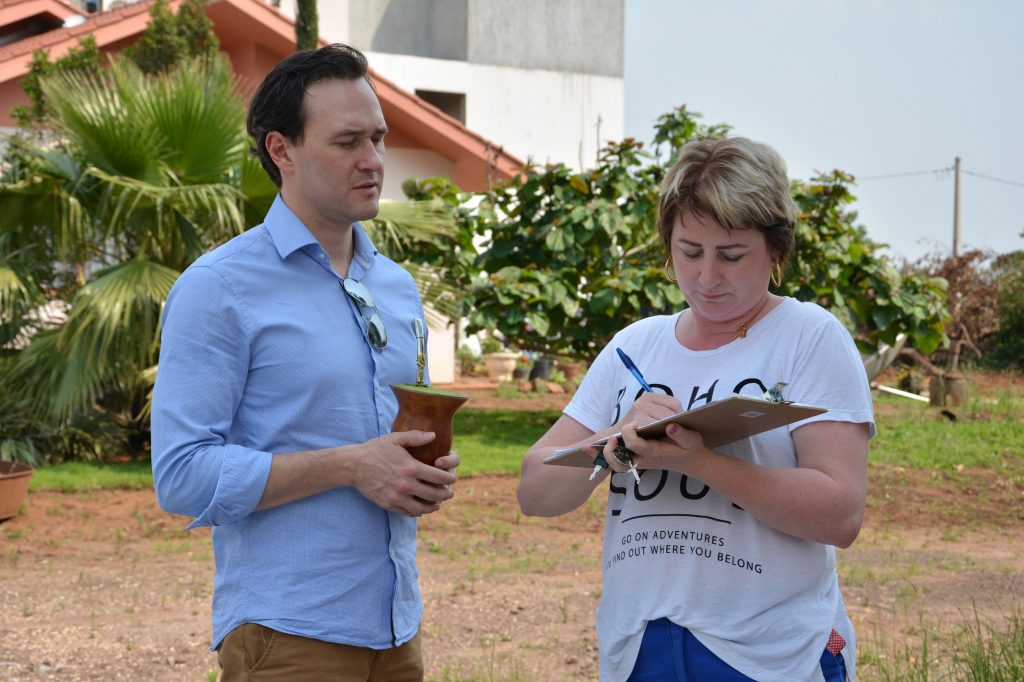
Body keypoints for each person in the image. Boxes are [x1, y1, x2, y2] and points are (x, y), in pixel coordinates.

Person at [151, 44, 459, 681]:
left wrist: (417, 472)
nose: (373, 160)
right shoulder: (219, 287)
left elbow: (397, 438)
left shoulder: (397, 287)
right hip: (287, 634)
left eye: (378, 138)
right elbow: (180, 475)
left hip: (397, 628)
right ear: (281, 150)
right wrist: (352, 465)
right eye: (348, 141)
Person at [518, 137, 874, 681]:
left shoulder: (809, 337)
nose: (707, 277)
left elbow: (840, 515)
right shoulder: (634, 345)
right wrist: (614, 437)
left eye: (731, 256)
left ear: (775, 250)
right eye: (689, 252)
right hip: (639, 648)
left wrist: (699, 461)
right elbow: (534, 491)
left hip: (768, 656)